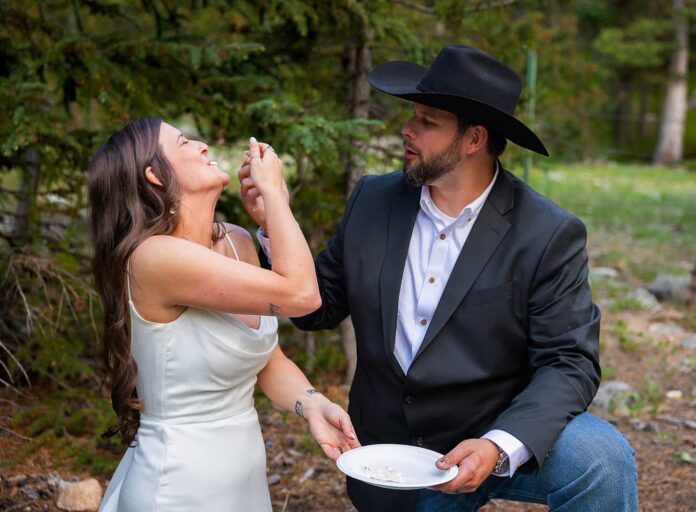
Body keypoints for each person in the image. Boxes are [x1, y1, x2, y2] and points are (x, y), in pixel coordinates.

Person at [243, 45, 638, 512]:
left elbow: (570, 362)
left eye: (427, 121)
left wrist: (498, 445)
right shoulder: (373, 200)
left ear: (474, 139)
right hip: (392, 452)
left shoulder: (546, 233)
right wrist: (274, 223)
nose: (407, 129)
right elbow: (316, 307)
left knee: (602, 459)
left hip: (495, 427)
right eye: (412, 115)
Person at [88, 116, 359, 512]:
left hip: (244, 480)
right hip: (177, 486)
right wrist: (276, 199)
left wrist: (313, 403)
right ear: (154, 175)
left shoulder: (236, 240)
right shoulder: (153, 257)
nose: (202, 145)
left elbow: (267, 359)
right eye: (183, 142)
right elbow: (303, 295)